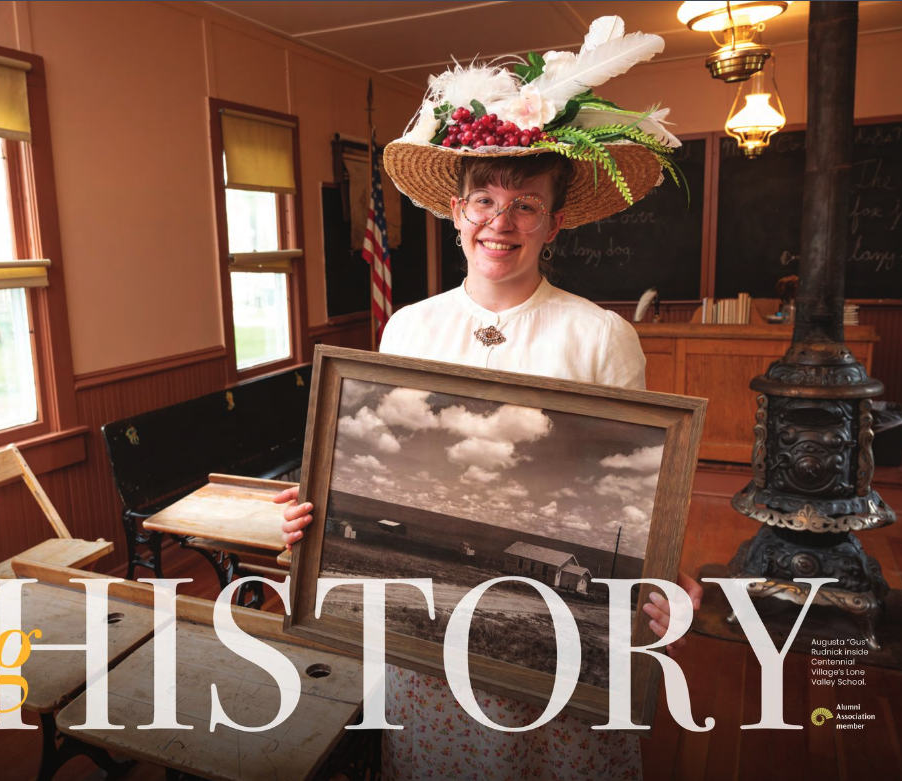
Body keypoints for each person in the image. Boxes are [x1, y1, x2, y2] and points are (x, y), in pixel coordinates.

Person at [275, 17, 704, 781]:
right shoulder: (408, 325)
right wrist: (315, 518)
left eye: (526, 204)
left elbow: (642, 485)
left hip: (563, 676)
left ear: (555, 221)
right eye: (483, 200)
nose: (499, 221)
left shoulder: (601, 335)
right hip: (430, 658)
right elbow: (361, 458)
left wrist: (665, 571)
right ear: (455, 209)